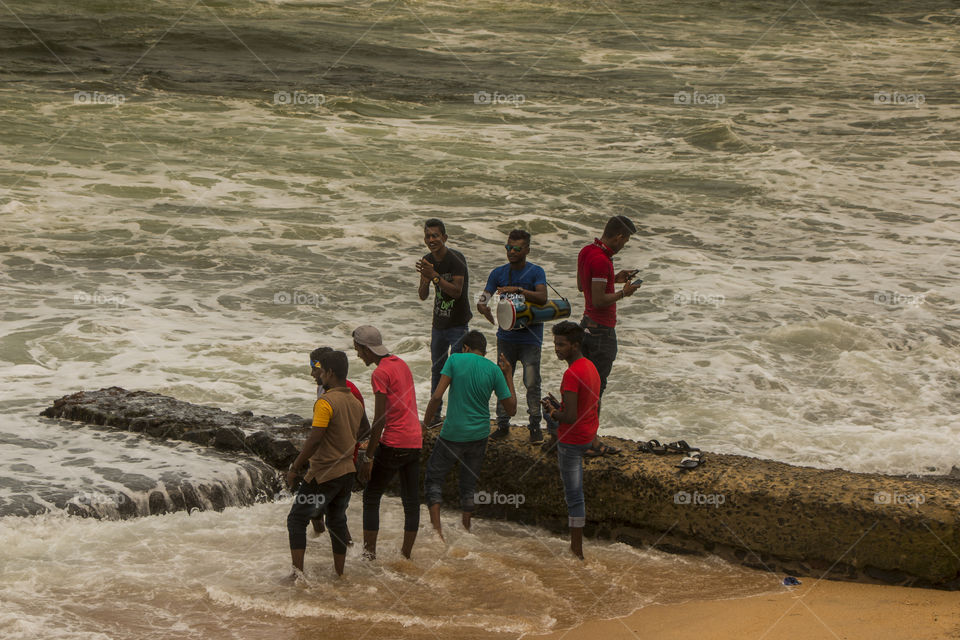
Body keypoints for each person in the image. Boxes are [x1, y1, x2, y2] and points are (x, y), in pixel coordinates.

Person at [422, 330, 516, 540]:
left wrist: (425, 425)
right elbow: (511, 409)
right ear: (483, 351)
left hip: (453, 433)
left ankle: (437, 532)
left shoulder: (455, 360)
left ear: (465, 348)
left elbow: (437, 396)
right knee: (469, 483)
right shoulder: (493, 369)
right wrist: (508, 374)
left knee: (434, 479)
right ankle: (466, 528)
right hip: (479, 435)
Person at [560, 214, 640, 455]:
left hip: (586, 325)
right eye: (625, 241)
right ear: (619, 236)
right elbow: (598, 298)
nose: (624, 245)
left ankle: (574, 435)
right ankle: (590, 440)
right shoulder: (601, 260)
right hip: (601, 331)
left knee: (582, 386)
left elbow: (582, 285)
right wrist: (624, 292)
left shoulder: (587, 251)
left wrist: (614, 279)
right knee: (596, 389)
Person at [285, 350, 363, 577]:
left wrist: (295, 468)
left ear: (329, 373)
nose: (317, 374)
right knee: (337, 522)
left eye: (320, 370)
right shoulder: (355, 403)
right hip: (347, 472)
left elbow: (315, 439)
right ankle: (340, 573)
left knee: (296, 519)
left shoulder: (325, 403)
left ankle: (297, 574)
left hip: (323, 475)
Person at [352, 326, 422, 560]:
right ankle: (406, 555)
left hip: (394, 442)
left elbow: (380, 419)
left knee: (371, 496)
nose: (358, 355)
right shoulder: (400, 363)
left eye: (358, 350)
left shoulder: (379, 373)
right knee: (411, 501)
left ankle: (369, 555)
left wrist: (369, 457)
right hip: (415, 440)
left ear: (366, 349)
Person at [477, 229, 548, 444]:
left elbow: (543, 298)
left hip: (530, 338)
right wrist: (482, 304)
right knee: (502, 381)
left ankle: (535, 426)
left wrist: (518, 289)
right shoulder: (498, 273)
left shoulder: (536, 272)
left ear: (526, 250)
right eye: (508, 248)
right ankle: (502, 424)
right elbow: (486, 294)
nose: (511, 252)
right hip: (506, 337)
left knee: (531, 383)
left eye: (516, 248)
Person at [541, 321, 601, 560]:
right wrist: (560, 407)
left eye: (561, 344)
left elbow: (570, 416)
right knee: (575, 494)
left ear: (575, 345)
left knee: (574, 496)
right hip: (589, 434)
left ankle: (577, 549)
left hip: (573, 441)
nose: (557, 348)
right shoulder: (590, 367)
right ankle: (576, 546)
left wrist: (553, 412)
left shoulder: (571, 374)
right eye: (555, 343)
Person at [306, 347, 371, 542]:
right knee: (315, 511)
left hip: (341, 462)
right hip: (322, 460)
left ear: (327, 370)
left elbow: (364, 427)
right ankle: (319, 543)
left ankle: (347, 551)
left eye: (315, 368)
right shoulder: (321, 387)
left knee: (335, 516)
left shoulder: (349, 390)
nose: (312, 373)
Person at [416, 218, 471, 426]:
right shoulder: (427, 260)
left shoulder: (456, 259)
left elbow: (457, 292)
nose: (432, 240)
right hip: (438, 324)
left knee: (457, 372)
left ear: (444, 238)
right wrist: (425, 279)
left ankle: (456, 415)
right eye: (428, 236)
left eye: (435, 236)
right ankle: (435, 416)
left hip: (458, 324)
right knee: (437, 369)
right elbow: (422, 296)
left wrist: (435, 277)